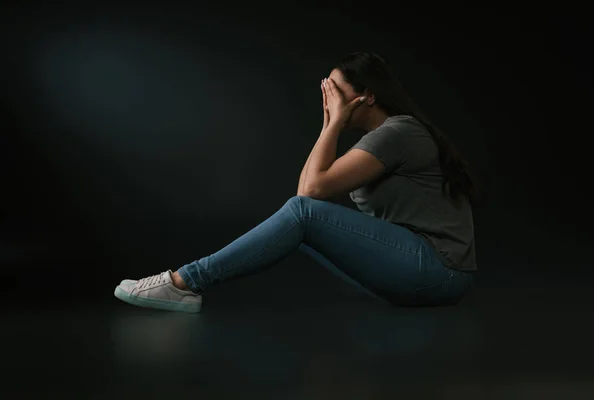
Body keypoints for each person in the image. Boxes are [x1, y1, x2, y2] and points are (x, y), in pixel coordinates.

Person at [114, 52, 479, 313]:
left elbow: (308, 195)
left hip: (438, 270)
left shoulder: (398, 131)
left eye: (335, 89)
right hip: (425, 276)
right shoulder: (383, 137)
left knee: (303, 214)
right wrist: (330, 124)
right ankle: (187, 285)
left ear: (366, 95)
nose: (328, 97)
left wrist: (334, 123)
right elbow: (308, 191)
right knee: (302, 222)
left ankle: (184, 283)